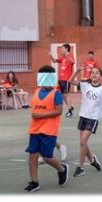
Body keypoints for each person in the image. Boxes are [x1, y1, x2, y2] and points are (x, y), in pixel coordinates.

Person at [23, 64, 69, 192]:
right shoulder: (37, 92)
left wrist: (41, 115)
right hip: (35, 129)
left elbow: (59, 111)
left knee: (47, 157)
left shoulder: (56, 93)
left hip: (49, 130)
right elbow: (35, 107)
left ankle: (62, 169)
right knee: (32, 155)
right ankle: (34, 181)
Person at [72, 69, 102, 177]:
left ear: (100, 76)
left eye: (97, 73)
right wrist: (77, 71)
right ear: (90, 75)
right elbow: (70, 81)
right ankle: (92, 160)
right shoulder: (85, 85)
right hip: (83, 116)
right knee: (83, 143)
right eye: (92, 73)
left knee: (83, 141)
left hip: (93, 118)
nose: (94, 74)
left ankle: (80, 168)